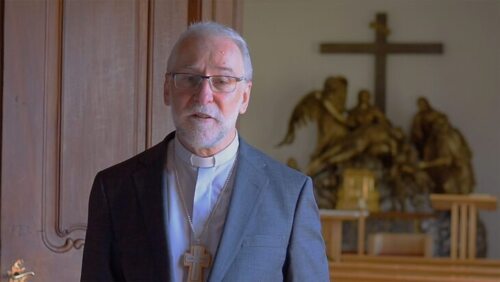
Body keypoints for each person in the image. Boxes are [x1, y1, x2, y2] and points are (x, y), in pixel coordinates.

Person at [81, 22, 329, 282]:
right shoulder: (114, 188)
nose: (204, 95)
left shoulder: (290, 194)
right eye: (189, 79)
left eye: (222, 81)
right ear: (167, 89)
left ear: (244, 97)